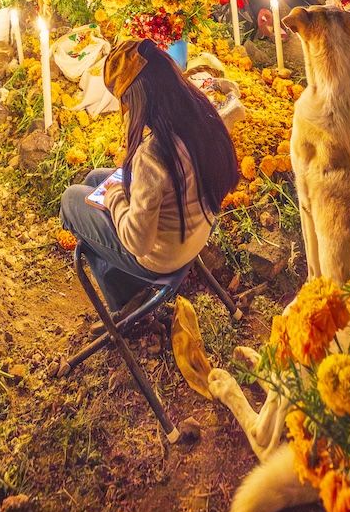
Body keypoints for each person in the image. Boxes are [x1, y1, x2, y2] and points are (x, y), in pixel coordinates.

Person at [60, 38, 239, 311]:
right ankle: (125, 294)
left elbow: (138, 242)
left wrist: (116, 199)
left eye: (127, 102)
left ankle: (124, 304)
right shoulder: (201, 113)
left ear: (139, 99)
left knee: (73, 198)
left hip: (163, 257)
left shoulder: (153, 154)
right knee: (95, 179)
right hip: (195, 231)